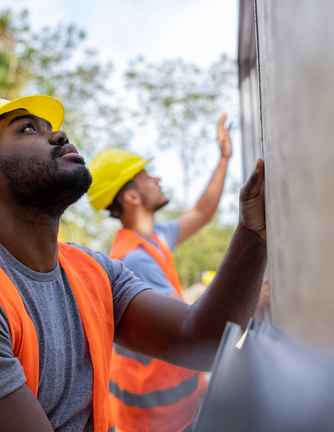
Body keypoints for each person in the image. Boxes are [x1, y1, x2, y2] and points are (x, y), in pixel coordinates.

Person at [0, 95, 267, 432]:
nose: (59, 134)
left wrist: (254, 235)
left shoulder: (93, 272)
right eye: (28, 129)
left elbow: (198, 341)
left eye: (50, 128)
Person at [86, 114, 233, 432]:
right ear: (133, 197)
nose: (158, 180)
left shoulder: (152, 240)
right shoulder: (135, 259)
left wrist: (223, 159)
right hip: (158, 419)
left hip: (170, 407)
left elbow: (202, 212)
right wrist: (245, 295)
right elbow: (191, 325)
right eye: (147, 176)